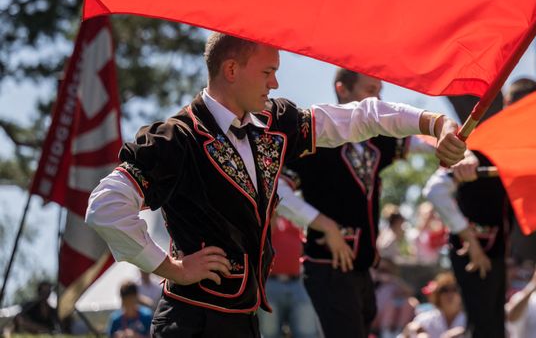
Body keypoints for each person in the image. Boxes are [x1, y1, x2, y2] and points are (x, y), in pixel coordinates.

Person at [86, 34, 465, 337]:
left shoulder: (274, 122)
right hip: (190, 323)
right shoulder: (176, 138)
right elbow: (105, 207)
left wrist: (433, 123)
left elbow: (357, 117)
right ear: (231, 69)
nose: (277, 82)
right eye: (268, 71)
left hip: (246, 318)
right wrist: (171, 268)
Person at [286, 67, 449, 338]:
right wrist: (323, 224)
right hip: (328, 263)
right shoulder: (313, 138)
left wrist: (452, 147)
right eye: (370, 91)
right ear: (343, 89)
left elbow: (420, 143)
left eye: (380, 92)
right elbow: (278, 188)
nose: (377, 101)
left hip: (364, 268)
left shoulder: (378, 140)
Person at [424, 77, 536, 338]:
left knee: (494, 329)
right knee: (484, 329)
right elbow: (435, 189)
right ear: (508, 105)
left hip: (495, 252)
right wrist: (470, 241)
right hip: (473, 254)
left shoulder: (526, 150)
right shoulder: (479, 144)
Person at [258, 181, 325, 338]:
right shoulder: (270, 217)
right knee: (270, 334)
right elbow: (265, 236)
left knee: (306, 333)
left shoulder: (298, 221)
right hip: (270, 283)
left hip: (298, 282)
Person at [402, 272, 467, 338]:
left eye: (455, 290)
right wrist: (408, 332)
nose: (449, 294)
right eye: (444, 290)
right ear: (437, 295)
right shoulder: (425, 320)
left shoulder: (469, 321)